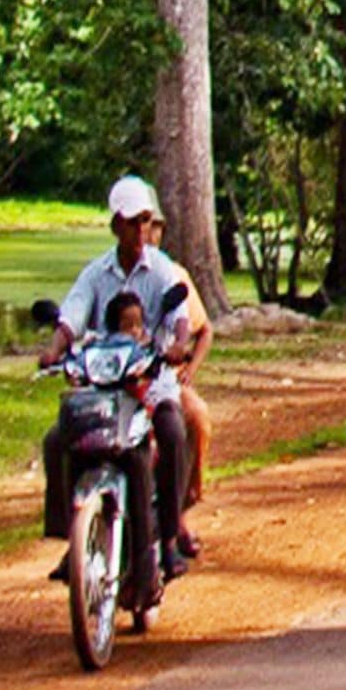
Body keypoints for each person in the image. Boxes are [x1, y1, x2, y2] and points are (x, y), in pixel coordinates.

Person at [41, 176, 207, 579]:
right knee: (56, 439)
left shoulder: (163, 270)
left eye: (146, 221)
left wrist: (177, 346)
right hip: (105, 390)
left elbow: (180, 319)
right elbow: (71, 316)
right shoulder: (97, 274)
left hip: (150, 387)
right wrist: (55, 347)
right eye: (132, 222)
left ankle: (168, 539)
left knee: (171, 430)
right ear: (115, 224)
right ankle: (73, 541)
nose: (140, 231)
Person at [141, 210, 213, 509]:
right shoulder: (109, 273)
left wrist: (189, 369)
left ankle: (184, 501)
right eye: (144, 225)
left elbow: (203, 329)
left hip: (164, 377)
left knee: (196, 416)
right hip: (123, 377)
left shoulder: (175, 275)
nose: (149, 233)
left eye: (156, 226)